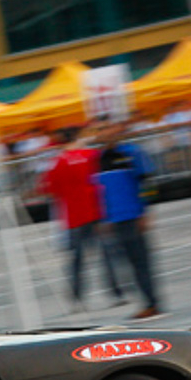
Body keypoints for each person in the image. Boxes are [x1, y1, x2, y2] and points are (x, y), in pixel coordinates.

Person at [43, 127, 123, 310]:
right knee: (107, 255)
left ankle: (76, 299)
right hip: (96, 211)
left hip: (74, 216)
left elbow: (50, 189)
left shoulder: (58, 162)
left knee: (76, 260)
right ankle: (116, 293)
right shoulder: (92, 155)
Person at [96, 122, 165, 320]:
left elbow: (147, 184)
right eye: (101, 129)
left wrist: (145, 213)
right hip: (113, 219)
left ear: (117, 130)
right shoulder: (99, 159)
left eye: (108, 127)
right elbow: (99, 192)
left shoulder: (132, 153)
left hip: (133, 217)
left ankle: (152, 303)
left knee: (141, 262)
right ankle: (146, 302)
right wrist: (103, 218)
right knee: (125, 265)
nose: (106, 132)